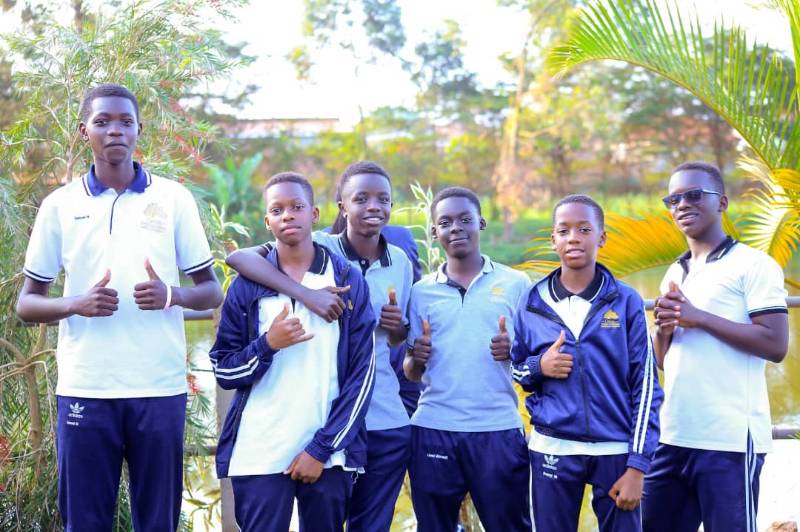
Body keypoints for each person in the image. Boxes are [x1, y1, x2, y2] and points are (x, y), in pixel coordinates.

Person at [16, 83, 223, 531]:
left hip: (159, 389)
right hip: (86, 388)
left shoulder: (174, 199)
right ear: (84, 131)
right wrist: (77, 303)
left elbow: (212, 291)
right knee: (85, 522)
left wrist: (172, 295)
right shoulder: (59, 205)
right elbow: (27, 304)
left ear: (138, 130)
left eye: (125, 122)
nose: (115, 130)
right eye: (103, 121)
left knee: (158, 522)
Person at [226, 161, 414, 531]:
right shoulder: (319, 248)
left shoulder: (401, 262)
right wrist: (305, 294)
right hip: (324, 419)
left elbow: (396, 340)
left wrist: (398, 328)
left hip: (381, 414)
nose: (373, 206)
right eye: (361, 198)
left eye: (383, 199)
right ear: (341, 207)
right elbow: (238, 258)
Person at [643, 162, 789, 532]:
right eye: (673, 199)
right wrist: (664, 330)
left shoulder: (754, 265)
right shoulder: (675, 272)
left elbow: (776, 344)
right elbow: (662, 360)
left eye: (694, 195)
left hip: (729, 442)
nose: (682, 204)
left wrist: (699, 317)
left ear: (722, 202)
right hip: (673, 435)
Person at [511, 194, 663, 531]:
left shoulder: (625, 301)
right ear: (553, 240)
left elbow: (646, 386)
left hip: (615, 449)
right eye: (563, 231)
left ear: (602, 237)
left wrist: (638, 465)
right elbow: (515, 369)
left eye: (584, 229)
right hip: (552, 447)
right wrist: (539, 367)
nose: (573, 238)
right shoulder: (532, 301)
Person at [404, 186, 531, 531]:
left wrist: (513, 350)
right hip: (433, 429)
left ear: (481, 223)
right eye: (445, 222)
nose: (456, 228)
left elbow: (533, 359)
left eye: (464, 219)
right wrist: (418, 358)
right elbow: (412, 372)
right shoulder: (420, 292)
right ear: (434, 232)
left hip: (498, 430)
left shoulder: (516, 283)